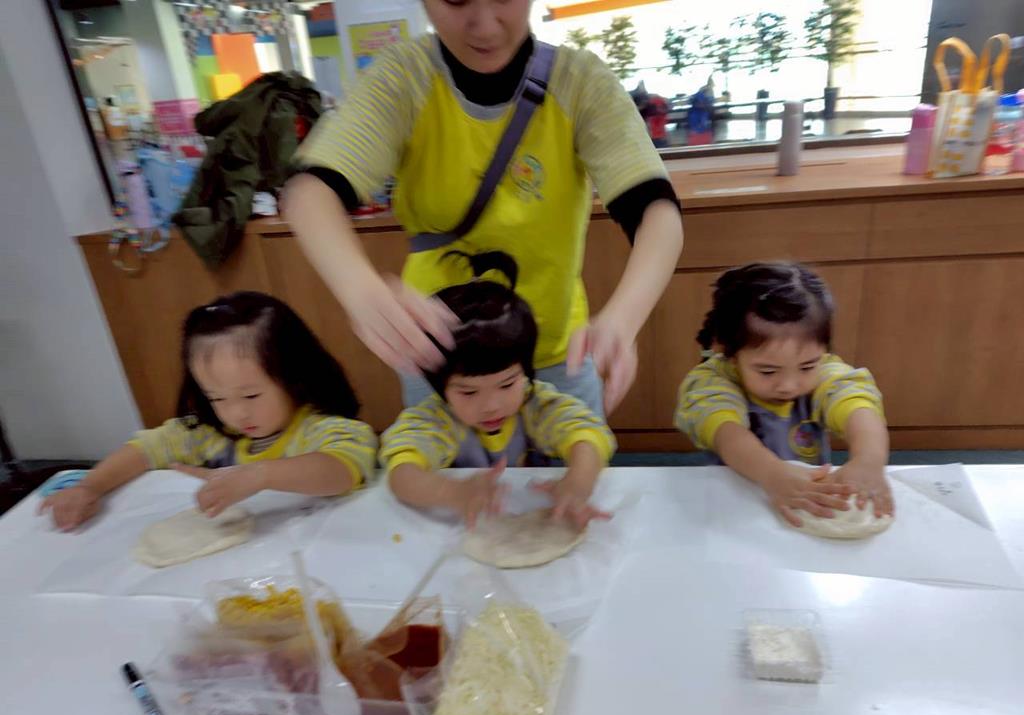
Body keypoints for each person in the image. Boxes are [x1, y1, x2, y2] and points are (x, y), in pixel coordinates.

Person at [284, 0, 684, 418]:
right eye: (456, 0)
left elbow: (656, 211)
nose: (485, 27)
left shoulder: (579, 82)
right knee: (437, 462)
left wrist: (623, 318)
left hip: (555, 354)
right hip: (442, 359)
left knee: (577, 457)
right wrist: (360, 291)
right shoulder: (404, 77)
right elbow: (311, 191)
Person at [40, 292, 377, 532]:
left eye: (251, 394)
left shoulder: (323, 428)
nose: (236, 414)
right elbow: (147, 448)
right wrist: (90, 487)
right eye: (216, 398)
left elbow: (340, 469)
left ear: (295, 376)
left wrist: (260, 474)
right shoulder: (210, 434)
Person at [380, 251, 615, 529]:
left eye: (507, 384)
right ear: (441, 388)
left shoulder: (536, 404)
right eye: (468, 392)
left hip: (527, 516)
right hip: (459, 524)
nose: (492, 405)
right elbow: (401, 475)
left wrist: (577, 483)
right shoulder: (436, 419)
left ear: (526, 372)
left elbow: (588, 436)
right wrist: (454, 492)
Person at [675, 263, 893, 528]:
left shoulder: (826, 372)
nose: (789, 386)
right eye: (768, 371)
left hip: (805, 498)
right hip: (734, 501)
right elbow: (727, 434)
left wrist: (869, 460)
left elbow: (857, 406)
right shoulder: (710, 382)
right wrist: (772, 473)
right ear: (730, 355)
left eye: (807, 367)